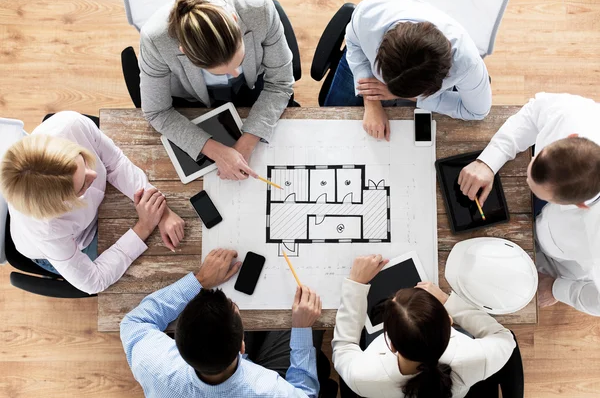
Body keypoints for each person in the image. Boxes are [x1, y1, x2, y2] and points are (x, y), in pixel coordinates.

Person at [0, 111, 185, 295]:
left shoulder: (70, 125)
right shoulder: (49, 229)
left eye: (83, 161)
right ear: (61, 205)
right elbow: (94, 281)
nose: (95, 174)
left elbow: (116, 163)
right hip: (72, 242)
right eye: (82, 187)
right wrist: (144, 226)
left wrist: (160, 210)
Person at [458, 93, 600, 316]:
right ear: (571, 136)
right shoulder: (575, 116)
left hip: (558, 263)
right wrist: (489, 161)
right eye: (536, 160)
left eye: (539, 190)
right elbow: (534, 113)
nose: (526, 176)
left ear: (581, 205)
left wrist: (558, 290)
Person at [121, 248, 323, 397]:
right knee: (303, 324)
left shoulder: (157, 366)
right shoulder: (270, 390)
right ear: (241, 346)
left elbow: (134, 322)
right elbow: (306, 394)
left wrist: (199, 280)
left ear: (178, 345)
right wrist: (302, 328)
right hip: (259, 384)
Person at [140, 0, 294, 181]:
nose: (236, 74)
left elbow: (280, 83)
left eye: (238, 62)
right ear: (185, 52)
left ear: (235, 21)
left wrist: (246, 143)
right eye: (221, 71)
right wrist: (217, 152)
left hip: (252, 86)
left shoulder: (260, 9)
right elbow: (157, 112)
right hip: (193, 99)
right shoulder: (155, 39)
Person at [332, 255, 516, 398]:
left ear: (392, 345)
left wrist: (355, 285)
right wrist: (446, 300)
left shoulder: (362, 376)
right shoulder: (477, 359)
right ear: (450, 321)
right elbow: (503, 336)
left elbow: (343, 348)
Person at [324, 0, 491, 140]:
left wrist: (410, 97)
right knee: (331, 123)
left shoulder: (467, 64)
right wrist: (372, 101)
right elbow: (354, 43)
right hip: (367, 65)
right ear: (380, 50)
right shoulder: (368, 15)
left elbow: (477, 112)